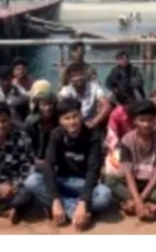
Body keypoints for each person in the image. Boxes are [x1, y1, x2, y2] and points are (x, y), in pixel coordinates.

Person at [24, 98, 111, 231]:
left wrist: (83, 202)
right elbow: (49, 165)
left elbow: (93, 171)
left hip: (83, 184)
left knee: (105, 195)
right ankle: (76, 213)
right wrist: (55, 200)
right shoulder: (56, 134)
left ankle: (71, 210)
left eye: (75, 116)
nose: (72, 122)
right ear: (60, 120)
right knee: (32, 181)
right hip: (63, 181)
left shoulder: (93, 134)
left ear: (81, 115)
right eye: (67, 118)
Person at [104, 100, 156, 221]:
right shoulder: (127, 140)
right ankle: (150, 204)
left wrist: (139, 200)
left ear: (155, 120)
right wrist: (139, 200)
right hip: (134, 182)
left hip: (154, 185)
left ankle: (135, 202)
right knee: (109, 180)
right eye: (142, 120)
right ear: (134, 121)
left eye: (150, 120)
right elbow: (128, 174)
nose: (146, 124)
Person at [58, 62, 112, 129]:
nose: (78, 78)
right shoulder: (66, 91)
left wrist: (93, 122)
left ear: (84, 74)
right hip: (73, 123)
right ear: (70, 79)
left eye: (80, 74)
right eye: (74, 76)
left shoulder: (94, 87)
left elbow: (106, 105)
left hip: (90, 123)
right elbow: (61, 111)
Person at [25, 90, 58, 163]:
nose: (47, 108)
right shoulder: (31, 122)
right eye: (44, 105)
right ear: (38, 106)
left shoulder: (58, 120)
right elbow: (26, 145)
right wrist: (35, 160)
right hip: (36, 160)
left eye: (50, 104)